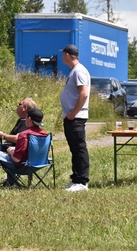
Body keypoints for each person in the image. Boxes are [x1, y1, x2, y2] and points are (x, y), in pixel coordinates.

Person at [0, 108, 48, 185]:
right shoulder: (45, 134)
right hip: (38, 164)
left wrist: (11, 152)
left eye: (26, 117)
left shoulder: (24, 135)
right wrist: (15, 149)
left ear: (29, 119)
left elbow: (16, 160)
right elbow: (34, 150)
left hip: (22, 167)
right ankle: (9, 182)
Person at [60, 43, 90, 192]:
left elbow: (83, 93)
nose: (61, 57)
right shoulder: (74, 71)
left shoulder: (79, 71)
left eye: (62, 54)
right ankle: (76, 178)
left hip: (76, 117)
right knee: (74, 148)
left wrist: (73, 112)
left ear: (67, 55)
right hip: (72, 116)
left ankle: (82, 181)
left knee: (79, 148)